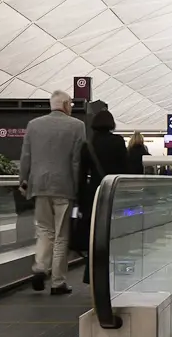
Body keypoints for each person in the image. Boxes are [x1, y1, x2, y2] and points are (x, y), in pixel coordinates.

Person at [18, 89, 87, 296]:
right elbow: (76, 161)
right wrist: (78, 188)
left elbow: (26, 156)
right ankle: (58, 282)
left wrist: (23, 180)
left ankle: (39, 267)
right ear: (66, 105)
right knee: (61, 235)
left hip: (39, 186)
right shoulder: (77, 126)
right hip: (64, 187)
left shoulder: (34, 125)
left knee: (44, 230)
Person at [79, 108, 131, 283]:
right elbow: (125, 170)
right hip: (114, 194)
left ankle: (91, 275)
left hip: (94, 195)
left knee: (95, 236)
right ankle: (116, 272)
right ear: (111, 124)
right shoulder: (118, 142)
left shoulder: (88, 145)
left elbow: (81, 175)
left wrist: (80, 202)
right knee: (114, 234)